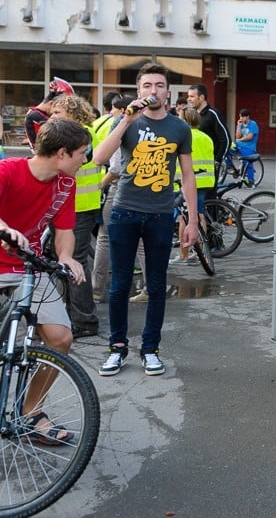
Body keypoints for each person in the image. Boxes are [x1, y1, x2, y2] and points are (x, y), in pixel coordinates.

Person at [93, 62, 199, 378]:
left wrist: (192, 221)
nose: (153, 91)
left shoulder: (179, 128)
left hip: (160, 214)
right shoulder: (126, 122)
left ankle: (150, 349)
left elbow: (189, 175)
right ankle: (117, 348)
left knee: (155, 285)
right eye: (147, 86)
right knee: (120, 284)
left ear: (168, 92)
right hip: (124, 211)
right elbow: (99, 158)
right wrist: (127, 120)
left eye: (159, 85)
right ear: (139, 91)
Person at [0, 117, 89, 444]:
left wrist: (66, 257)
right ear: (62, 153)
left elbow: (65, 231)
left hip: (29, 266)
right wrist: (6, 228)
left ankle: (30, 411)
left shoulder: (66, 183)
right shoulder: (8, 171)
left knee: (60, 338)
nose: (85, 159)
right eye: (82, 153)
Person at [48, 94, 102, 338]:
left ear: (72, 114)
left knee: (75, 260)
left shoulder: (80, 135)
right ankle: (74, 314)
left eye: (57, 113)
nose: (52, 117)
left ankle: (84, 319)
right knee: (69, 259)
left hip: (79, 205)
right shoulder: (85, 132)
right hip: (78, 204)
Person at [91, 93, 137, 302]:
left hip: (119, 186)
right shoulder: (149, 124)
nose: (112, 113)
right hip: (142, 187)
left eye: (115, 109)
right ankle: (151, 289)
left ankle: (97, 290)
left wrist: (101, 184)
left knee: (105, 238)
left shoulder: (119, 124)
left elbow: (116, 167)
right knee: (142, 241)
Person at [171, 107, 216, 263]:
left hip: (184, 182)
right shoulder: (206, 137)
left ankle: (183, 254)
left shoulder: (182, 136)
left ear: (184, 120)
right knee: (199, 214)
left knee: (184, 219)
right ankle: (202, 252)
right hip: (204, 180)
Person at [186, 83, 230, 194]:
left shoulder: (213, 114)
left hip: (209, 166)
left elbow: (226, 139)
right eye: (188, 96)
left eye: (191, 96)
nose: (188, 99)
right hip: (195, 165)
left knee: (209, 199)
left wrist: (217, 160)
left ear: (201, 97)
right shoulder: (194, 114)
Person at [25, 77, 74, 151]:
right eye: (56, 111)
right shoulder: (35, 115)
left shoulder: (37, 113)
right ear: (51, 103)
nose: (54, 115)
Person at [234, 108, 259, 183]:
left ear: (247, 116)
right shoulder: (240, 124)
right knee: (227, 149)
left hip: (249, 147)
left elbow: (250, 137)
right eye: (240, 116)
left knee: (247, 162)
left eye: (242, 117)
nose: (241, 118)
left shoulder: (253, 124)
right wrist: (238, 126)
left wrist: (240, 140)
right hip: (239, 144)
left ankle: (251, 181)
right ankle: (229, 167)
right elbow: (237, 137)